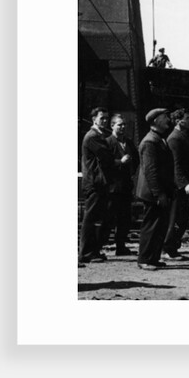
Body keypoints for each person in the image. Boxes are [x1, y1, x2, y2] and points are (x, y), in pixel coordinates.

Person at [135, 108, 175, 271]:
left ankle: (153, 257)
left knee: (159, 226)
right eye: (165, 117)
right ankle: (144, 259)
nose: (168, 119)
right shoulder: (150, 141)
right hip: (153, 193)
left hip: (159, 192)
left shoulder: (157, 139)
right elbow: (150, 171)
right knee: (151, 226)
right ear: (156, 120)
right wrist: (159, 194)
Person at [79, 107, 115, 263]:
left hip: (99, 181)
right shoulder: (93, 137)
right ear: (94, 119)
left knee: (96, 217)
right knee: (91, 217)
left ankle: (93, 250)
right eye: (102, 118)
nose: (105, 121)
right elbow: (106, 156)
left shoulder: (98, 136)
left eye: (107, 118)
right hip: (95, 182)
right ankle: (86, 252)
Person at [164, 108, 189, 260]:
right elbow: (176, 164)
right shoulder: (175, 139)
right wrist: (184, 184)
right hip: (177, 187)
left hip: (180, 185)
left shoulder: (181, 136)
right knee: (177, 219)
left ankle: (171, 248)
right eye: (188, 118)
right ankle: (169, 249)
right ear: (179, 121)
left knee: (181, 219)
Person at [104, 113, 139, 256]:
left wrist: (131, 171)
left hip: (125, 185)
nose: (123, 127)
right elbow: (105, 163)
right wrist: (120, 162)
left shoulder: (129, 143)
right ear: (112, 126)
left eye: (124, 124)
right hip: (112, 187)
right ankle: (98, 246)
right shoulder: (108, 142)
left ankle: (121, 245)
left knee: (124, 218)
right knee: (109, 217)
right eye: (119, 124)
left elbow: (136, 159)